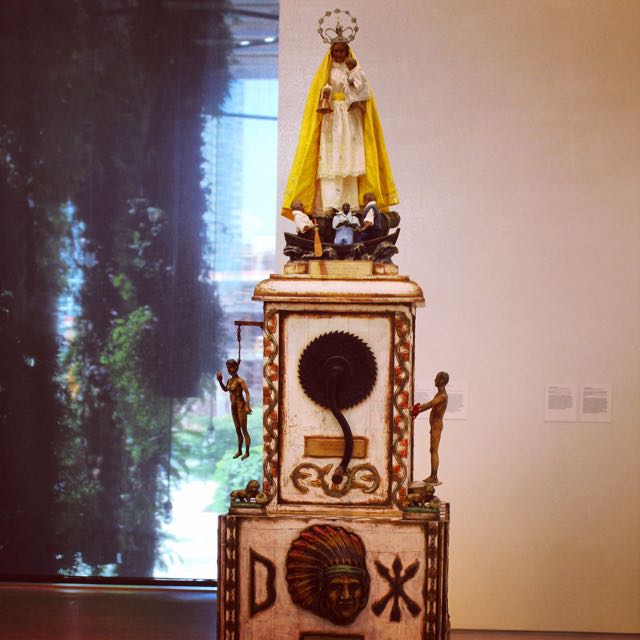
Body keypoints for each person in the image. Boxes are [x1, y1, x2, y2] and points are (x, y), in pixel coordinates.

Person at [281, 33, 398, 223]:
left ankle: (351, 204)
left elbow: (362, 89)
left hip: (351, 116)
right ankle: (329, 205)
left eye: (341, 50)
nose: (339, 54)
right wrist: (326, 95)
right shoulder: (327, 71)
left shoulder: (355, 71)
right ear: (331, 52)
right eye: (335, 51)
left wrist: (354, 87)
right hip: (331, 117)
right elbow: (320, 91)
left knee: (350, 158)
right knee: (330, 158)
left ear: (347, 52)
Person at [412, 371, 449, 483]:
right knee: (432, 450)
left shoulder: (442, 395)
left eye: (437, 378)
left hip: (436, 426)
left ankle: (434, 476)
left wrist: (414, 409)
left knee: (434, 450)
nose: (435, 380)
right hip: (434, 426)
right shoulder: (439, 394)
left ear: (442, 381)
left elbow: (429, 404)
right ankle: (433, 475)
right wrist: (416, 411)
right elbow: (429, 407)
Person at [216, 359, 252, 460]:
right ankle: (239, 450)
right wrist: (220, 381)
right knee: (237, 430)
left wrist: (247, 405)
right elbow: (225, 389)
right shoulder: (229, 380)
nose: (229, 370)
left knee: (244, 430)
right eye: (228, 368)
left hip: (241, 407)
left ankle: (247, 452)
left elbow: (247, 393)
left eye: (231, 367)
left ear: (236, 367)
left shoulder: (240, 381)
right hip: (233, 407)